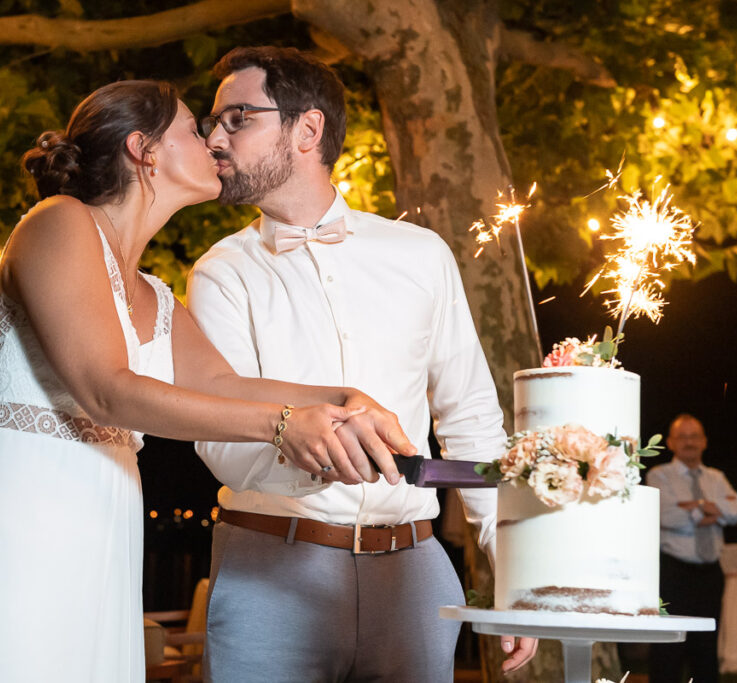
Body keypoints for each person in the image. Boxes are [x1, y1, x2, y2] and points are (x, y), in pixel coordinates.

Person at [0, 80, 415, 683]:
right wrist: (284, 425)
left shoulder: (156, 295)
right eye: (193, 129)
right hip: (18, 517)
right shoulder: (59, 222)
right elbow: (106, 389)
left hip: (103, 524)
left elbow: (221, 384)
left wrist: (343, 398)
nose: (214, 142)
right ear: (143, 149)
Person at [187, 46, 538, 682]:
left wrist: (511, 566)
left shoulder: (422, 254)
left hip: (414, 571)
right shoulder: (219, 272)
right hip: (268, 569)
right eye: (214, 122)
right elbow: (219, 434)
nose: (214, 138)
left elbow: (470, 414)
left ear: (307, 129)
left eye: (237, 118)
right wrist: (323, 455)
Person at [647, 414, 737, 683]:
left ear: (704, 442)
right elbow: (665, 515)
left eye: (694, 437)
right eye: (682, 437)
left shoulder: (716, 477)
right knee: (668, 648)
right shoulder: (659, 475)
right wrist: (711, 510)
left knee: (706, 647)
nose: (689, 442)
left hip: (711, 573)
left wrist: (694, 506)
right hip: (673, 572)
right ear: (670, 442)